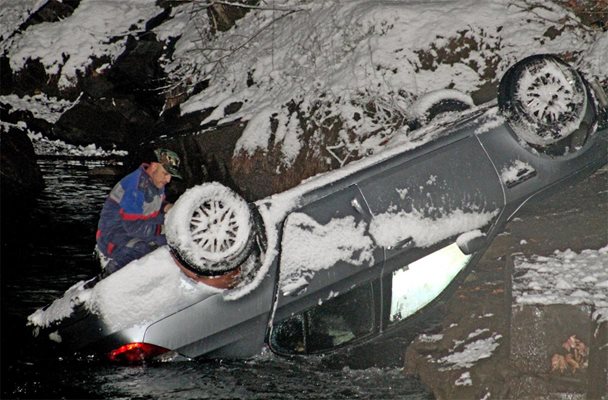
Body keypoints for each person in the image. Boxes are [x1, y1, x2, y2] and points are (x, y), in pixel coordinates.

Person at [95, 148, 182, 276]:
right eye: (165, 173)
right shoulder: (136, 188)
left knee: (173, 239)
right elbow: (134, 228)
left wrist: (166, 207)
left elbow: (152, 207)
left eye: (170, 175)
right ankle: (106, 277)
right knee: (142, 248)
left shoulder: (155, 181)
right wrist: (164, 228)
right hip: (114, 234)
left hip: (138, 223)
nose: (168, 180)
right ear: (153, 167)